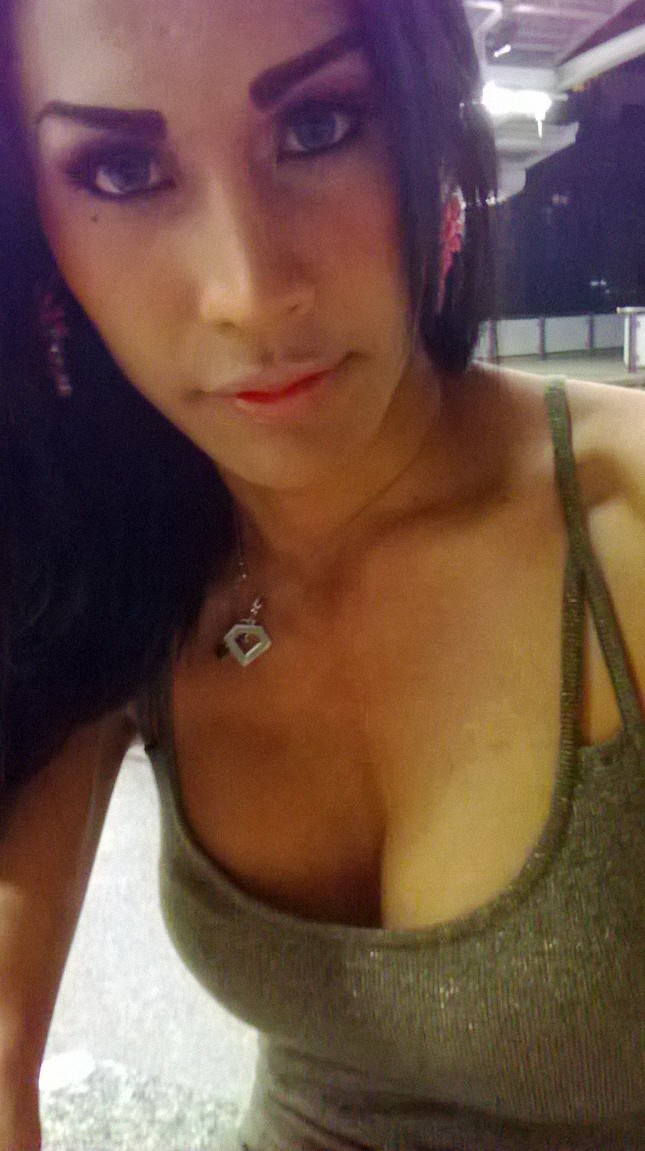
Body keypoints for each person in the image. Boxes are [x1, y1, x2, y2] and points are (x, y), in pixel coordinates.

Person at [0, 0, 643, 1147]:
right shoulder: (117, 557)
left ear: (427, 126)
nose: (249, 291)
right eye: (122, 169)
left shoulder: (621, 518)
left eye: (318, 126)